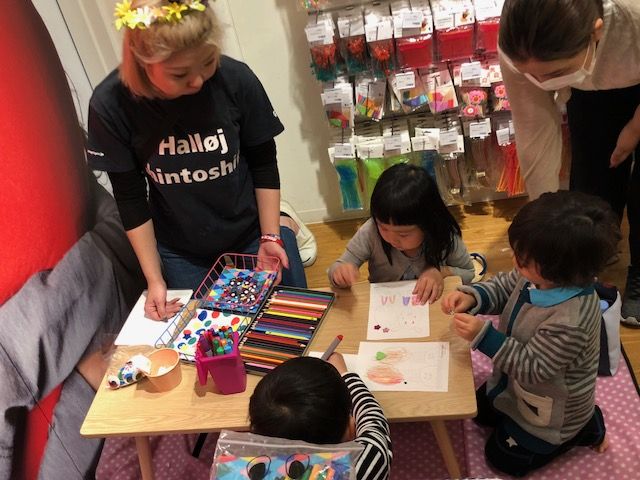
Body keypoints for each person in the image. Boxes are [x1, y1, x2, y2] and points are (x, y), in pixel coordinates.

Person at [87, 0, 306, 321]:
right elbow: (130, 198)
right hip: (182, 248)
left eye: (208, 61)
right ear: (142, 60)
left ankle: (285, 228)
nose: (199, 81)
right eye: (180, 74)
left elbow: (263, 162)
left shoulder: (236, 79)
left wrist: (270, 235)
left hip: (250, 228)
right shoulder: (111, 105)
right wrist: (154, 279)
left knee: (284, 318)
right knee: (212, 328)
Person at [441, 191, 620, 477]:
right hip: (514, 384)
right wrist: (474, 297)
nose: (515, 261)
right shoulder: (539, 275)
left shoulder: (570, 320)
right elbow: (503, 286)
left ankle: (585, 428)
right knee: (478, 411)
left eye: (523, 259)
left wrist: (484, 336)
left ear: (558, 271)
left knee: (501, 459)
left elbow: (533, 368)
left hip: (552, 413)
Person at [498, 0, 640, 325]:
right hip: (589, 87)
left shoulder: (633, 16)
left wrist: (634, 129)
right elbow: (534, 131)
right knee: (591, 177)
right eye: (530, 75)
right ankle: (596, 249)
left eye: (553, 74)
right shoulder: (519, 42)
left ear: (596, 32)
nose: (540, 82)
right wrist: (545, 226)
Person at [328, 163, 475, 304]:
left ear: (428, 224)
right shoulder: (371, 231)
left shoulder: (445, 235)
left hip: (432, 306)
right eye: (383, 228)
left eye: (403, 234)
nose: (391, 239)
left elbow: (469, 273)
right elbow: (339, 266)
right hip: (383, 305)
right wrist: (339, 273)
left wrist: (441, 272)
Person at [249, 354, 392, 480]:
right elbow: (373, 419)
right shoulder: (365, 462)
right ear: (350, 430)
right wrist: (345, 373)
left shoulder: (248, 469)